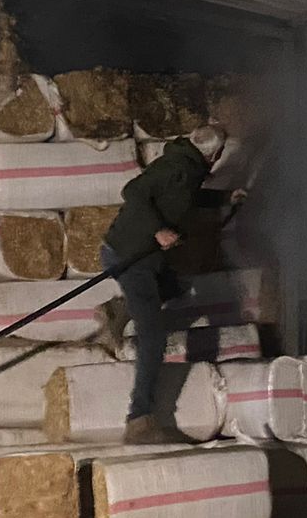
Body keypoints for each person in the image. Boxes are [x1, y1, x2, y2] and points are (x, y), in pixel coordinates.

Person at [101, 125, 245, 444]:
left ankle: (119, 310)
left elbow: (187, 198)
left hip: (144, 259)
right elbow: (134, 191)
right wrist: (159, 230)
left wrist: (225, 197)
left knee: (177, 285)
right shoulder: (177, 167)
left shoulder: (188, 168)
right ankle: (139, 419)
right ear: (216, 154)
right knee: (153, 337)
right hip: (131, 258)